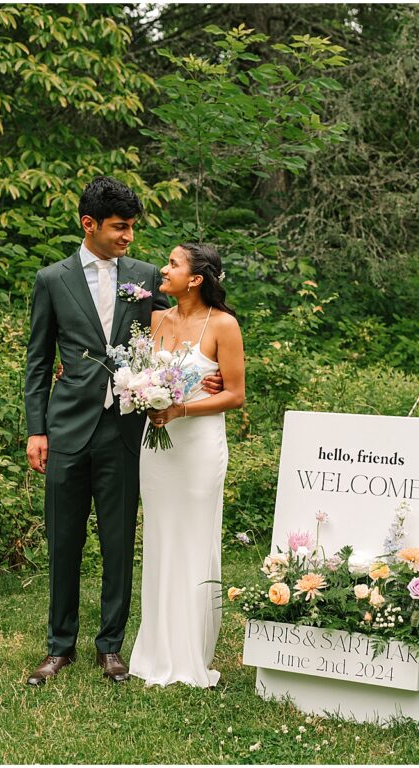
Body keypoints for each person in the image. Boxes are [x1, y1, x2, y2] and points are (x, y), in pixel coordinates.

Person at [24, 177, 169, 685]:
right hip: (66, 428)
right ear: (90, 225)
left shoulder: (146, 276)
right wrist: (36, 430)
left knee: (117, 541)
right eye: (120, 228)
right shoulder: (52, 279)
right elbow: (39, 362)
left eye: (131, 227)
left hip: (123, 430)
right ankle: (58, 646)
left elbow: (175, 331)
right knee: (63, 541)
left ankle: (110, 646)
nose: (129, 236)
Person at [128, 243, 245, 688]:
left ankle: (190, 652)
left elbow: (234, 394)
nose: (164, 268)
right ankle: (155, 647)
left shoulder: (224, 326)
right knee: (159, 539)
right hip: (156, 448)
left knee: (194, 540)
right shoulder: (156, 319)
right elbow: (136, 371)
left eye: (173, 264)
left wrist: (182, 409)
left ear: (195, 279)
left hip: (197, 445)